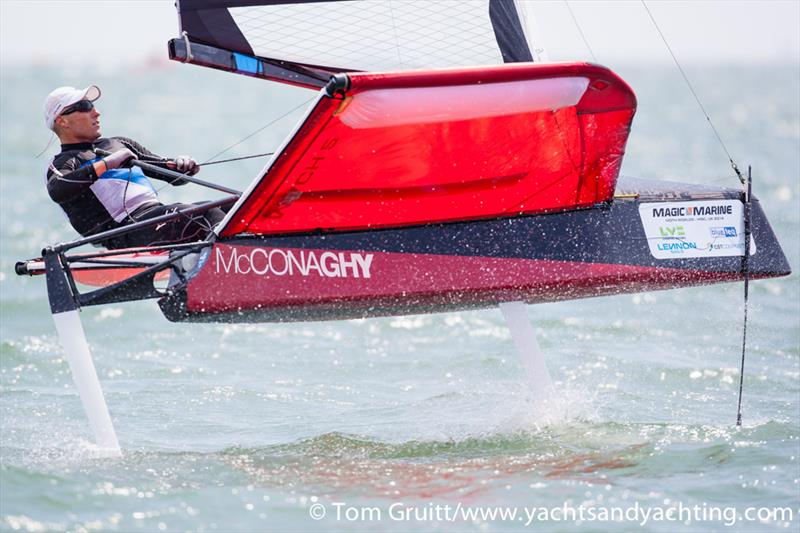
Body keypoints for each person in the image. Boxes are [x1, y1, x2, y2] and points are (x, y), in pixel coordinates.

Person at [43, 84, 226, 249]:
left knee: (234, 206)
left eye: (93, 105)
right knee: (209, 214)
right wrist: (107, 164)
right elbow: (58, 189)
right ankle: (233, 262)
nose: (96, 112)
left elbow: (172, 176)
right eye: (85, 107)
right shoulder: (63, 163)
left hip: (157, 218)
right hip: (127, 233)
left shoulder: (119, 144)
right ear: (62, 121)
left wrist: (183, 166)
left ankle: (240, 261)